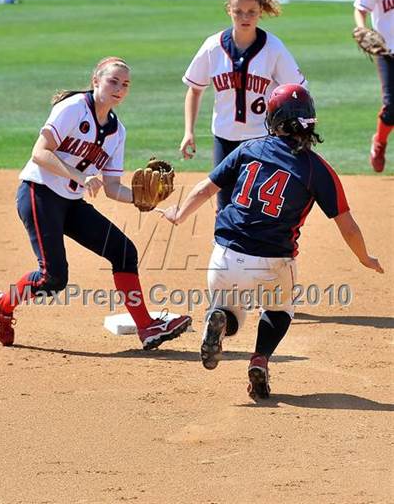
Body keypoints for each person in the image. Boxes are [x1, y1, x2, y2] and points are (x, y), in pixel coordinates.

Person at [164, 84, 383, 400]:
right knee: (280, 310)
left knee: (231, 313)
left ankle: (221, 322)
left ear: (273, 119)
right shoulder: (316, 168)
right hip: (273, 262)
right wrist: (365, 258)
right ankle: (260, 359)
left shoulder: (249, 148)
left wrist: (179, 214)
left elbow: (204, 190)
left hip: (224, 256)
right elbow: (347, 227)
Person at [0, 56, 191, 350]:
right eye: (113, 81)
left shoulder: (117, 132)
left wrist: (141, 199)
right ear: (96, 81)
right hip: (39, 193)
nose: (119, 88)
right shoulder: (72, 108)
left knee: (123, 251)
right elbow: (40, 153)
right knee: (53, 278)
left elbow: (111, 188)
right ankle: (3, 305)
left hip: (70, 203)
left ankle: (147, 327)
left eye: (125, 84)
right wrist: (80, 177)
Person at [180, 0, 306, 210]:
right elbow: (195, 89)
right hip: (224, 137)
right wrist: (189, 131)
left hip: (263, 138)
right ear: (229, 10)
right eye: (238, 11)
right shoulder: (213, 47)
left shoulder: (273, 48)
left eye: (252, 12)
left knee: (256, 203)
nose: (244, 17)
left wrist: (295, 132)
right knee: (225, 203)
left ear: (261, 12)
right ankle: (221, 245)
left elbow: (297, 92)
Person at [354, 0, 394, 172]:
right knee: (391, 107)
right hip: (386, 51)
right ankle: (379, 142)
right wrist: (362, 27)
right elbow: (361, 8)